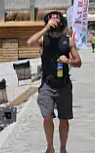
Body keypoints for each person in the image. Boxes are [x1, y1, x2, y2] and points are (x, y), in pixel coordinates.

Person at [27, 11, 82, 153]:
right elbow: (29, 43)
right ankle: (50, 147)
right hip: (47, 84)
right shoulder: (44, 40)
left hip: (63, 84)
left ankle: (63, 148)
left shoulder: (68, 40)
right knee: (47, 116)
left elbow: (78, 62)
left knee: (64, 119)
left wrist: (68, 61)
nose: (54, 24)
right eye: (51, 21)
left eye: (56, 21)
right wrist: (45, 29)